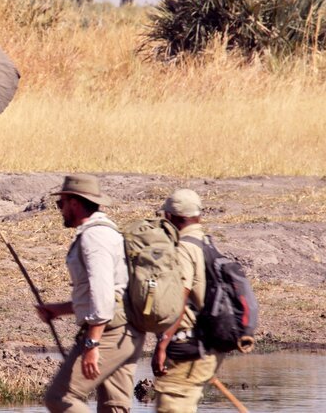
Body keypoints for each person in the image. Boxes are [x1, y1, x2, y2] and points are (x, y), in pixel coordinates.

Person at [37, 173, 144, 413]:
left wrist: (92, 343)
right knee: (113, 408)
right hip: (128, 333)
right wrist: (58, 310)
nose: (60, 210)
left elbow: (103, 294)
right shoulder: (108, 232)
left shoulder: (94, 237)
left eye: (60, 204)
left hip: (108, 333)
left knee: (60, 397)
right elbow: (101, 294)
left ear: (74, 203)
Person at [152, 189, 224, 412]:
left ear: (172, 218)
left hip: (188, 346)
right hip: (207, 346)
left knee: (171, 406)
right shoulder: (206, 242)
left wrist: (162, 344)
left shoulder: (184, 248)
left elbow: (178, 301)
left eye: (165, 217)